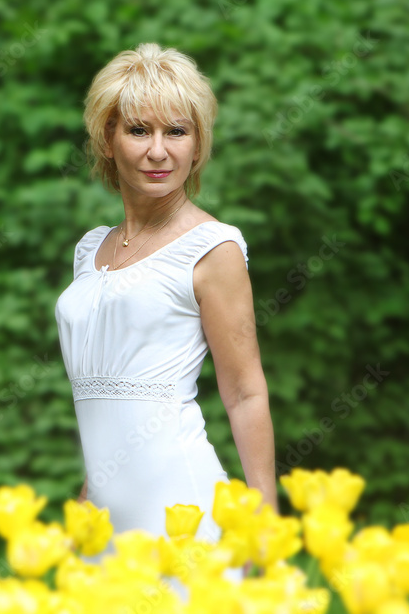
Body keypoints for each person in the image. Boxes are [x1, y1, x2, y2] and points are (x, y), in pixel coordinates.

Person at [53, 43, 278, 590]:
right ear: (108, 139)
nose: (159, 151)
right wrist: (86, 501)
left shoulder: (213, 248)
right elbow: (106, 405)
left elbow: (245, 391)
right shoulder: (90, 250)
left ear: (198, 143)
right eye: (138, 130)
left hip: (182, 512)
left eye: (177, 131)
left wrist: (262, 520)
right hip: (101, 522)